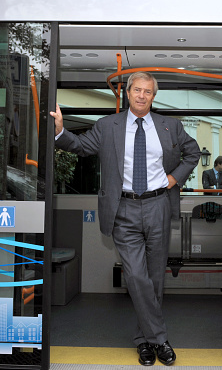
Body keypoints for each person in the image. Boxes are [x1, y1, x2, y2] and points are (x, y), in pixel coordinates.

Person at [50, 71, 200, 366]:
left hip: (158, 205)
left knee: (155, 279)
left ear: (153, 97)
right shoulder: (108, 125)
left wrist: (174, 178)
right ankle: (160, 338)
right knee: (135, 275)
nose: (142, 95)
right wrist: (59, 131)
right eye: (137, 90)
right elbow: (80, 147)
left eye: (148, 92)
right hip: (123, 209)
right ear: (128, 93)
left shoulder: (170, 126)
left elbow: (192, 153)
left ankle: (144, 341)